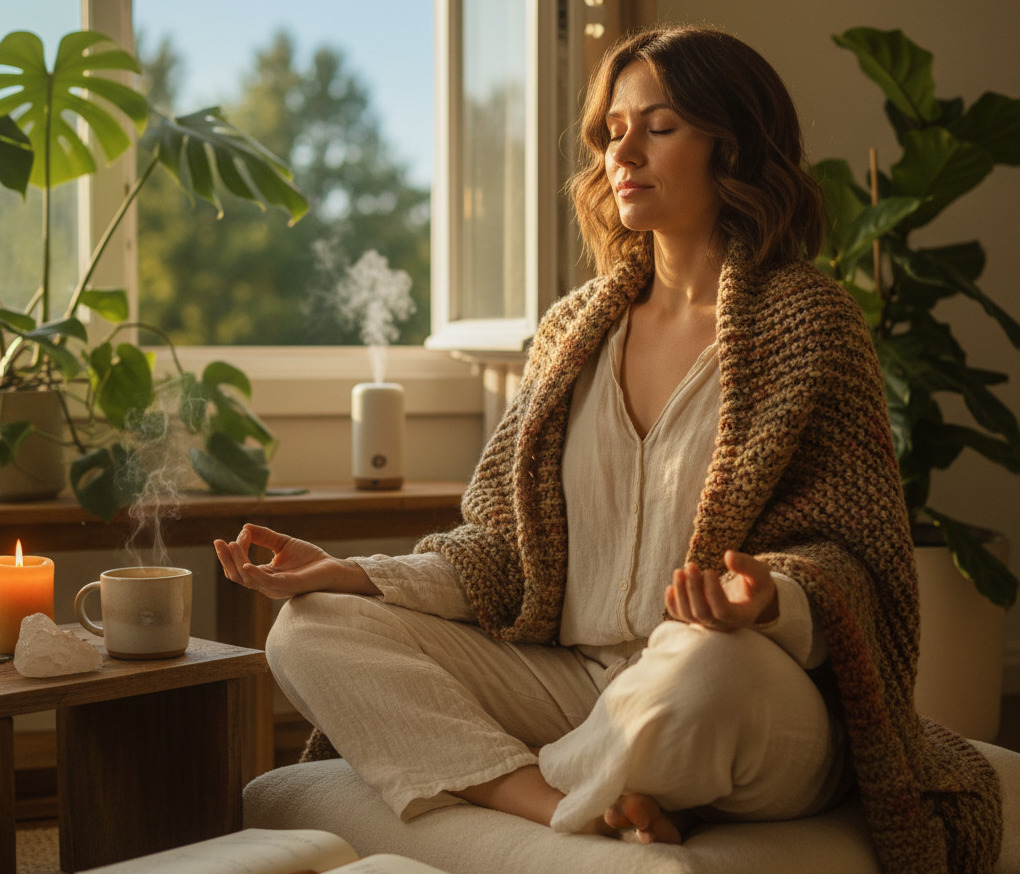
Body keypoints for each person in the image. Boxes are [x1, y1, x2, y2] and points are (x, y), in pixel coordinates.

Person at [215, 24, 1001, 874]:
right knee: (308, 631)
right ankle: (560, 807)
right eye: (612, 130)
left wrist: (766, 597)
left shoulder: (808, 323)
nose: (622, 152)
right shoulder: (571, 332)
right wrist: (352, 575)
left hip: (739, 693)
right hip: (570, 683)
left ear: (732, 146)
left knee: (701, 667)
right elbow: (502, 553)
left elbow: (862, 564)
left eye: (658, 127)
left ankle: (526, 774)